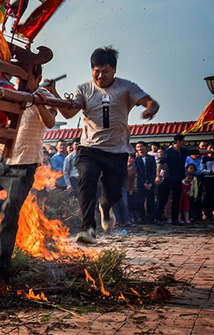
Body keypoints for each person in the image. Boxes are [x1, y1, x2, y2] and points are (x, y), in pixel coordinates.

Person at [58, 47, 158, 243]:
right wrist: (59, 97)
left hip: (116, 151)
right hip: (89, 148)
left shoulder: (126, 88)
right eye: (96, 70)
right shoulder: (84, 89)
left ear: (114, 70)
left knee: (113, 193)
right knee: (86, 179)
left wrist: (150, 110)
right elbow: (69, 113)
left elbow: (151, 102)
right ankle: (88, 229)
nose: (100, 75)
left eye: (105, 71)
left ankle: (105, 206)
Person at [0, 71, 58, 280]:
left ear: (37, 76)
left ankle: (1, 271)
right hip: (0, 162)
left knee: (9, 218)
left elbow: (50, 122)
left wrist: (39, 103)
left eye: (26, 78)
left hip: (23, 167)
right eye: (19, 78)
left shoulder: (44, 95)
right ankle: (10, 209)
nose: (21, 82)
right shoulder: (8, 92)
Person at [156, 135, 188, 224]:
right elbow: (160, 164)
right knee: (163, 199)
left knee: (176, 200)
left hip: (178, 179)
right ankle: (157, 218)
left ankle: (175, 219)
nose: (184, 143)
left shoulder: (184, 151)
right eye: (183, 141)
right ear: (178, 141)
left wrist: (213, 151)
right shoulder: (168, 152)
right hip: (168, 178)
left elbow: (197, 151)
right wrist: (158, 176)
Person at [133, 141, 158, 223]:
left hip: (150, 183)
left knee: (151, 201)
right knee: (141, 201)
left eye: (141, 146)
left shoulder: (151, 158)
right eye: (138, 147)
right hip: (141, 184)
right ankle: (142, 219)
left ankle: (152, 218)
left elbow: (153, 171)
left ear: (145, 147)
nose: (140, 149)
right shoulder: (136, 160)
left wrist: (151, 182)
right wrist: (144, 183)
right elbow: (137, 173)